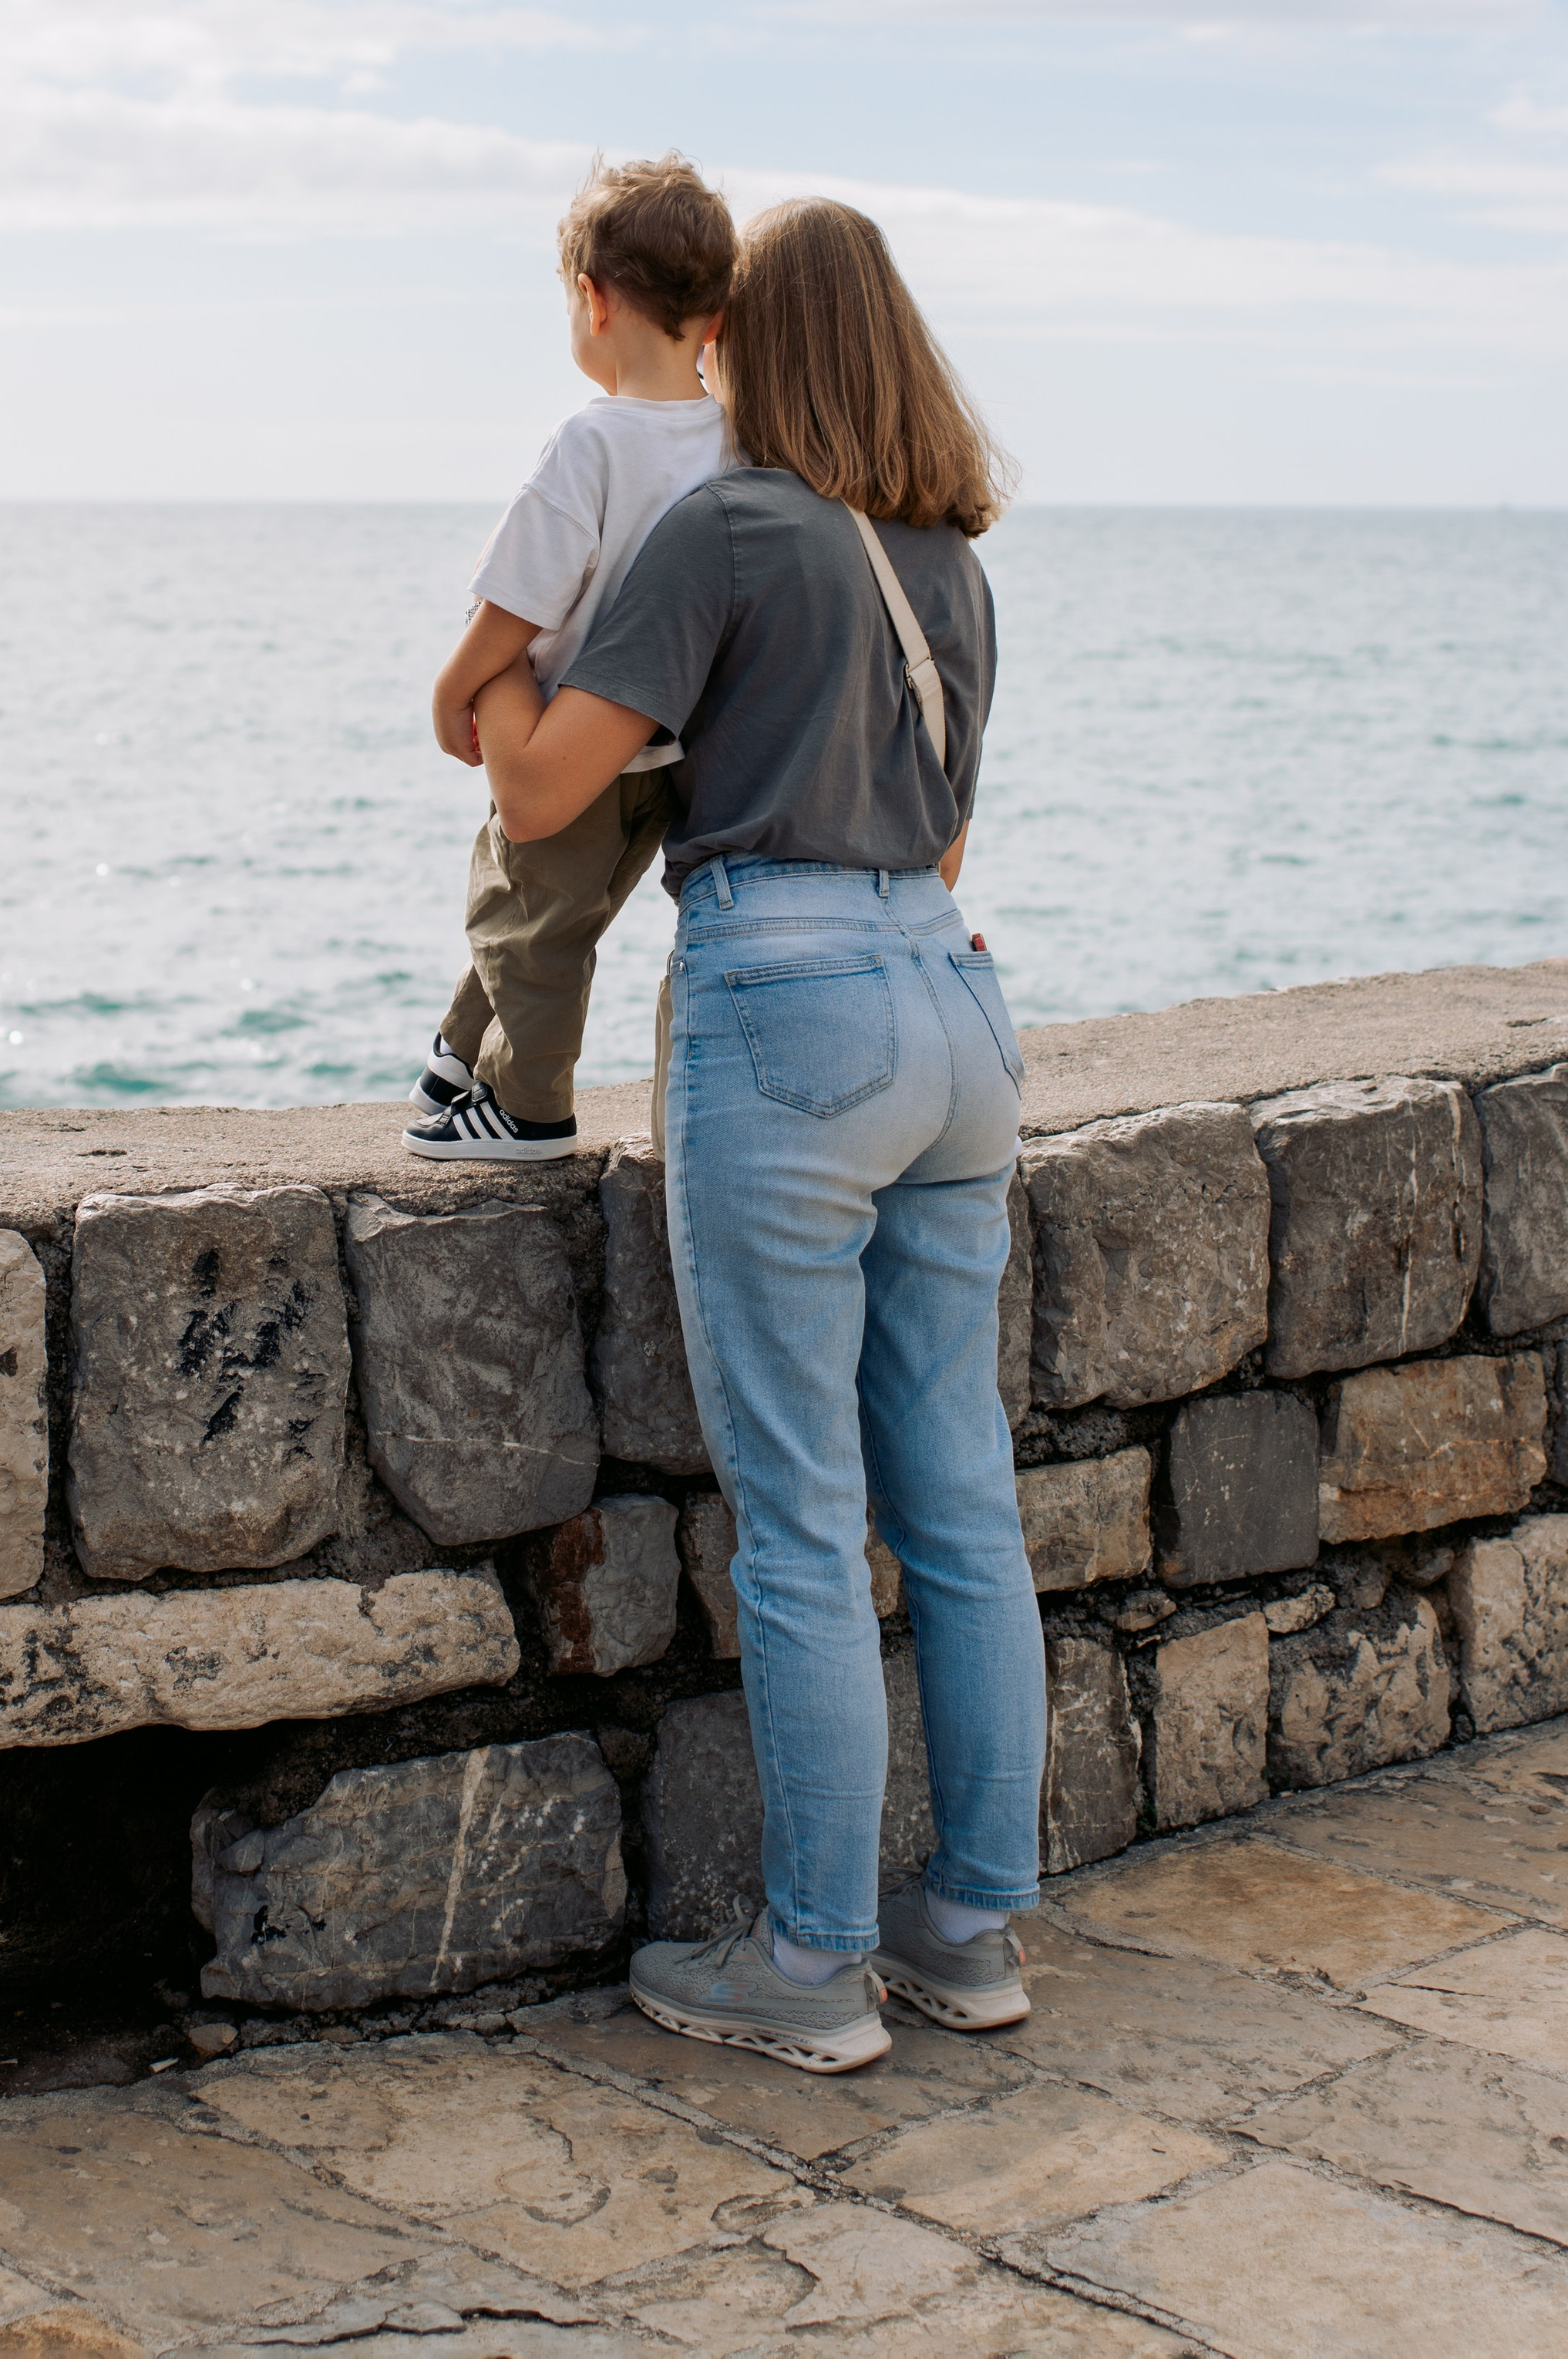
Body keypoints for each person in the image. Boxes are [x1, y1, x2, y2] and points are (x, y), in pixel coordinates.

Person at [468, 197, 1043, 2073]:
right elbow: (940, 842)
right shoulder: (949, 565)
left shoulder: (723, 528)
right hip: (951, 1007)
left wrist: (488, 681)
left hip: (787, 1010)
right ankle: (969, 1933)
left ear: (746, 345)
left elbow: (541, 786)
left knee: (799, 1523)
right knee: (958, 1505)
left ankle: (808, 1964)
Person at [404, 152, 735, 1163]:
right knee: (554, 914)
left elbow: (519, 598)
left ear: (593, 300)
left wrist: (452, 690)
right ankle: (465, 1053)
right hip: (666, 751)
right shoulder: (738, 441)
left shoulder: (592, 444)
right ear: (715, 314)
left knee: (523, 915)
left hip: (569, 739)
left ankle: (530, 1105)